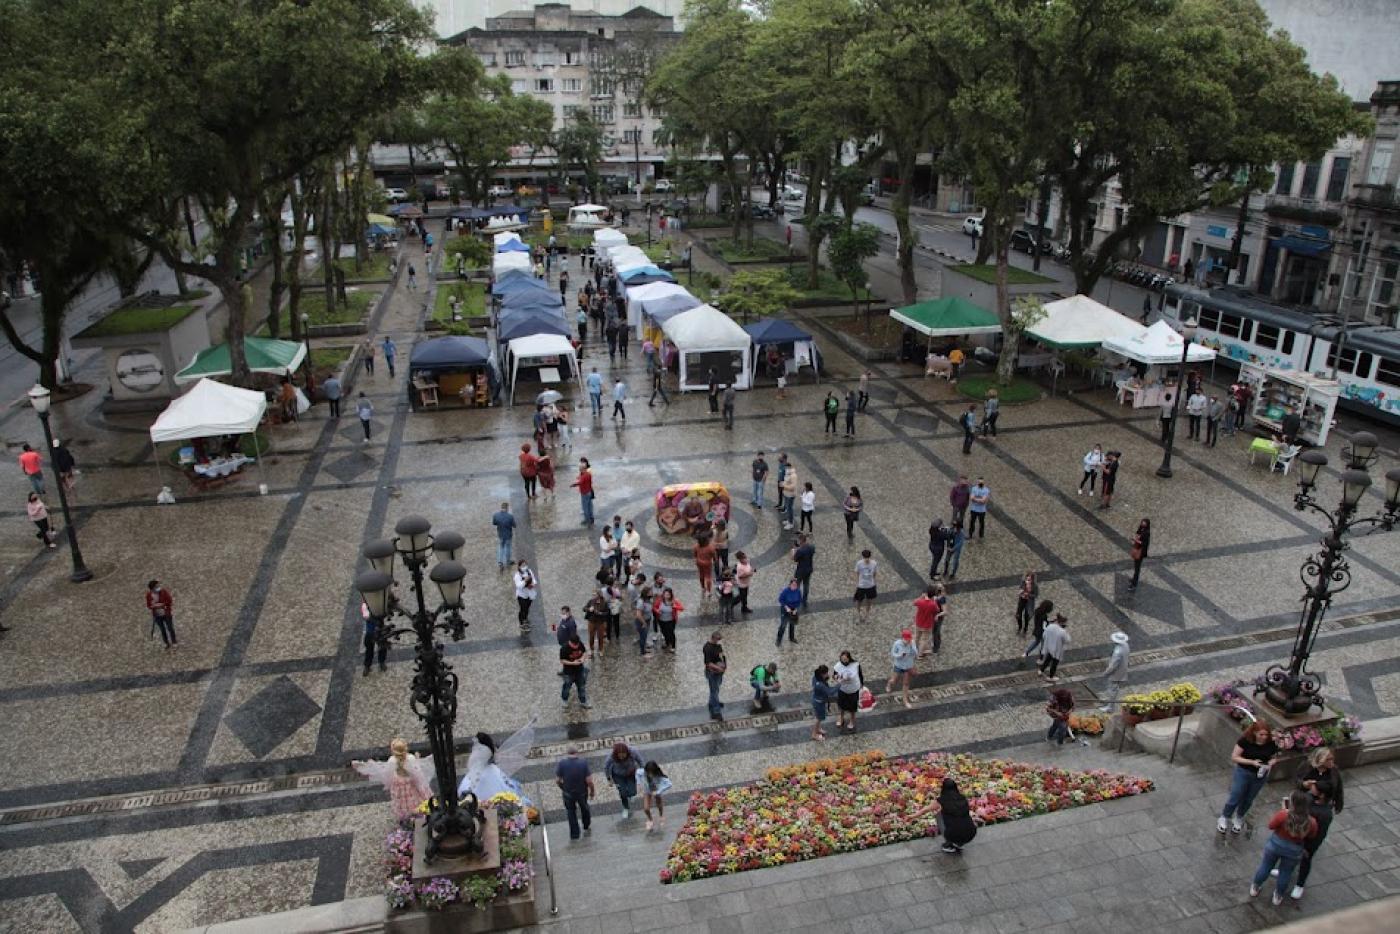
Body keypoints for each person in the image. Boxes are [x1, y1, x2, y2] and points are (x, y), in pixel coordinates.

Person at [1291, 747, 1344, 900]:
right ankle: (1285, 869)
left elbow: (1337, 788)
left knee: (1308, 852)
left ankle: (1300, 883)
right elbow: (1296, 781)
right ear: (1320, 760)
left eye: (1332, 759)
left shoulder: (1333, 772)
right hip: (1305, 804)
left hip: (1321, 808)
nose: (1332, 763)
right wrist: (1305, 784)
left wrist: (1337, 803)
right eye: (1329, 760)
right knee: (1293, 841)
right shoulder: (1307, 767)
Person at [1250, 791, 1318, 906]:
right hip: (1294, 850)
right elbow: (1312, 835)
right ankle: (1278, 896)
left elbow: (1271, 825)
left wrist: (1283, 810)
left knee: (1265, 866)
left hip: (1275, 845)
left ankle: (1255, 887)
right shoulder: (1311, 822)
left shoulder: (1283, 815)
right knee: (1286, 872)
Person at [1219, 721, 1280, 834]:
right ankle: (1225, 816)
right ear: (1255, 733)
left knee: (1249, 798)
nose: (1264, 737)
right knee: (1236, 795)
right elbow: (1235, 757)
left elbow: (1274, 756)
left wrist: (1271, 763)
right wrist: (1251, 762)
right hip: (1244, 771)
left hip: (1260, 774)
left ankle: (1239, 817)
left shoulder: (1271, 743)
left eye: (1266, 735)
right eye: (1261, 735)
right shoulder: (1245, 741)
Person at [351, 739, 433, 822]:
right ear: (406, 748)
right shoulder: (410, 758)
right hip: (410, 782)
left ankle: (406, 816)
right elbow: (418, 775)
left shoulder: (392, 760)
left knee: (402, 800)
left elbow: (387, 775)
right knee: (414, 797)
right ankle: (417, 812)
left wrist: (390, 784)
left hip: (398, 782)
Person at [555, 745, 594, 839]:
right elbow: (589, 781)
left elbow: (557, 780)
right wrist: (592, 791)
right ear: (577, 753)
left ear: (567, 753)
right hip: (582, 792)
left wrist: (563, 788)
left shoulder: (561, 763)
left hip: (568, 792)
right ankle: (586, 824)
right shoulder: (583, 763)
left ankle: (575, 834)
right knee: (584, 808)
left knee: (571, 812)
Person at [931, 778, 978, 854]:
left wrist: (911, 816)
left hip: (953, 834)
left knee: (938, 815)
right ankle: (959, 844)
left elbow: (925, 810)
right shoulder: (962, 798)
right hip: (971, 833)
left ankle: (949, 844)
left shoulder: (942, 800)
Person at [603, 742, 644, 819]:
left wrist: (643, 772)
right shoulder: (611, 756)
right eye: (619, 756)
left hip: (631, 773)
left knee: (633, 792)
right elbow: (606, 767)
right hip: (618, 775)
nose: (621, 757)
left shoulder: (633, 751)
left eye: (623, 755)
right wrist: (609, 779)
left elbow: (640, 761)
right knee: (622, 792)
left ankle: (631, 795)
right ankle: (626, 808)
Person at [1099, 631, 1130, 711]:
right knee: (1114, 688)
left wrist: (1105, 673)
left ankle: (1110, 707)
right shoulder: (1126, 645)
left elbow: (1112, 666)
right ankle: (1110, 702)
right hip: (1123, 669)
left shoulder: (1117, 652)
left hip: (1116, 673)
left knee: (1112, 689)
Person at [559, 632, 591, 710]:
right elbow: (562, 660)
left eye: (577, 645)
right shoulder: (564, 648)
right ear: (570, 642)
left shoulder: (580, 644)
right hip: (568, 672)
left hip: (580, 670)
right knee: (566, 687)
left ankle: (583, 701)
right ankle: (564, 700)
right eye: (574, 645)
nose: (576, 647)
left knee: (582, 686)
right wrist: (572, 663)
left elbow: (584, 652)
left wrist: (582, 659)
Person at [832, 651, 862, 733]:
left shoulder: (856, 664)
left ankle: (852, 720)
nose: (843, 661)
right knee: (841, 705)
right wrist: (838, 678)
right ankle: (841, 717)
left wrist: (862, 685)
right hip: (843, 688)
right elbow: (834, 675)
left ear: (849, 658)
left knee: (852, 706)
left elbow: (860, 675)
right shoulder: (838, 666)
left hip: (854, 689)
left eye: (845, 659)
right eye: (842, 659)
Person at [638, 761, 672, 831]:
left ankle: (661, 815)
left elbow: (669, 784)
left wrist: (659, 791)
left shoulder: (659, 776)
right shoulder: (642, 772)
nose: (650, 774)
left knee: (659, 804)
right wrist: (638, 783)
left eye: (652, 772)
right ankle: (650, 820)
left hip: (656, 791)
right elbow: (637, 772)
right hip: (647, 791)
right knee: (646, 808)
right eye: (648, 772)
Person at [887, 629, 916, 708]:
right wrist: (900, 655)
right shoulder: (897, 644)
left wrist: (911, 646)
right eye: (907, 639)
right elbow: (893, 654)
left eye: (909, 639)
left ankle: (905, 700)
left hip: (908, 666)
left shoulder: (912, 643)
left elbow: (915, 653)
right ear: (902, 638)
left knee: (906, 683)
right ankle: (889, 684)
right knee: (894, 680)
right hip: (899, 665)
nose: (908, 641)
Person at [145, 578, 177, 649]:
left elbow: (169, 600)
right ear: (152, 589)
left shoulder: (163, 592)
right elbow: (148, 605)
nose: (158, 587)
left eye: (158, 585)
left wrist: (162, 605)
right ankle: (166, 643)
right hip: (157, 616)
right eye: (156, 586)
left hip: (166, 614)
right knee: (162, 630)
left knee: (170, 628)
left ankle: (174, 642)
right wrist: (152, 606)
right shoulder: (149, 595)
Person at [703, 630, 727, 721]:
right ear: (713, 638)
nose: (719, 641)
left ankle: (712, 702)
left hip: (719, 672)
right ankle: (716, 711)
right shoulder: (707, 648)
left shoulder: (718, 646)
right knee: (714, 691)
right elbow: (708, 663)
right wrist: (719, 668)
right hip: (712, 672)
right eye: (718, 639)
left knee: (715, 689)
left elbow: (722, 656)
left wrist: (724, 666)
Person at [811, 665, 839, 741]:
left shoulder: (815, 677)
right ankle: (814, 734)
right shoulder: (820, 685)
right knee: (818, 718)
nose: (827, 674)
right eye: (826, 673)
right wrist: (839, 685)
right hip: (819, 703)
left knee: (818, 716)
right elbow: (830, 692)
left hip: (816, 699)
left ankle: (818, 729)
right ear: (822, 674)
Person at [1039, 613, 1069, 680]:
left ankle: (1041, 670)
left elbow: (1044, 635)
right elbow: (1067, 640)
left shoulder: (1050, 626)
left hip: (1050, 647)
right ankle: (1051, 677)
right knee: (1054, 664)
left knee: (1047, 660)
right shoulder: (1062, 631)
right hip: (1057, 650)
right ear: (1062, 623)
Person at [652, 587, 683, 653]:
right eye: (665, 594)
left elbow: (681, 608)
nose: (666, 596)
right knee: (664, 632)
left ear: (671, 595)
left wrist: (675, 606)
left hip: (671, 620)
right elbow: (654, 607)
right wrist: (657, 611)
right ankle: (667, 642)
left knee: (671, 633)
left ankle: (673, 646)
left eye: (668, 595)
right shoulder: (660, 600)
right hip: (661, 620)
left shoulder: (674, 601)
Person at [913, 587, 939, 658]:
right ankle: (920, 654)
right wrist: (934, 601)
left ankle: (913, 651)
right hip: (927, 625)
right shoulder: (932, 604)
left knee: (916, 637)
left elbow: (914, 602)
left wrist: (921, 597)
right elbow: (937, 610)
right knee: (924, 640)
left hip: (918, 622)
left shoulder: (920, 601)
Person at [790, 533, 815, 609]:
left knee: (796, 585)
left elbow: (794, 559)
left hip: (800, 571)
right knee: (806, 585)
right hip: (809, 569)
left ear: (801, 541)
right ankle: (804, 600)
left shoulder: (800, 551)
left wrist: (793, 550)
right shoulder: (811, 547)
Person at [853, 550, 878, 622]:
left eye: (867, 557)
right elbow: (856, 573)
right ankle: (859, 615)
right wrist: (857, 583)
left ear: (870, 557)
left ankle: (867, 616)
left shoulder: (874, 563)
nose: (866, 559)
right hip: (861, 586)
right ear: (863, 557)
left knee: (869, 601)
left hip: (870, 586)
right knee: (859, 601)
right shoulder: (859, 563)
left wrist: (874, 582)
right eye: (865, 557)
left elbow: (875, 573)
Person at [777, 578, 803, 646]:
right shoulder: (786, 591)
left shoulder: (798, 591)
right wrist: (786, 607)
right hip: (785, 609)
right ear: (790, 584)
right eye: (793, 585)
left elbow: (799, 601)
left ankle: (791, 638)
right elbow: (780, 600)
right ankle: (778, 640)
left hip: (793, 609)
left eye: (796, 585)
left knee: (792, 624)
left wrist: (796, 609)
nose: (794, 586)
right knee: (783, 625)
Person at [513, 561, 537, 631]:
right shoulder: (517, 575)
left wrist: (533, 584)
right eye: (522, 565)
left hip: (529, 594)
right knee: (523, 609)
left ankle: (525, 620)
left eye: (525, 565)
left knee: (527, 608)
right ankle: (521, 624)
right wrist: (525, 581)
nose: (524, 566)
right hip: (521, 595)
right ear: (519, 566)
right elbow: (518, 586)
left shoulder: (529, 571)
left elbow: (534, 580)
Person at [492, 502, 516, 570]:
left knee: (501, 548)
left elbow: (494, 523)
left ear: (501, 507)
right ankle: (508, 561)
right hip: (508, 535)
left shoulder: (496, 515)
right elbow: (514, 525)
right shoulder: (510, 516)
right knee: (508, 548)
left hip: (500, 534)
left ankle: (500, 562)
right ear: (507, 508)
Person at [571, 458, 595, 526]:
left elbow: (580, 482)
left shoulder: (584, 476)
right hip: (589, 492)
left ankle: (587, 521)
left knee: (585, 508)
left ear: (583, 469)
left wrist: (573, 485)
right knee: (590, 506)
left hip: (584, 493)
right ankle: (592, 518)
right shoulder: (588, 474)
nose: (579, 469)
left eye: (580, 468)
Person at [692, 533, 716, 600]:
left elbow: (694, 554)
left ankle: (703, 587)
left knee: (701, 575)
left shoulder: (696, 546)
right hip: (707, 563)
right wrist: (715, 560)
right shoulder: (710, 547)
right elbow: (714, 556)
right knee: (708, 577)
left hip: (699, 562)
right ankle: (709, 591)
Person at [1129, 518, 1151, 590]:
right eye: (1142, 522)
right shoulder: (1141, 529)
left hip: (1140, 552)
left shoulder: (1147, 533)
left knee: (1137, 569)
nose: (1142, 524)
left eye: (1144, 523)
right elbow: (1138, 533)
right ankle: (1134, 580)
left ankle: (1134, 584)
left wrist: (1136, 540)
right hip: (1137, 549)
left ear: (1147, 524)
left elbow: (1144, 544)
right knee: (1136, 567)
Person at [780, 463, 798, 530]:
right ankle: (788, 520)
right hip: (786, 493)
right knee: (788, 508)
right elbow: (786, 482)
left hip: (790, 495)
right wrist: (783, 484)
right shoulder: (787, 474)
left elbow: (793, 487)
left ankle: (790, 523)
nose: (785, 469)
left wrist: (784, 486)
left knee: (790, 509)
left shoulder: (793, 476)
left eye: (786, 468)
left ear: (789, 467)